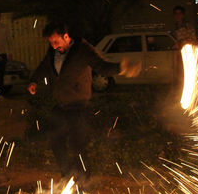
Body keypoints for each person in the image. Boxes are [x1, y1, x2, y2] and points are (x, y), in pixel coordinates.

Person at [28, 22, 141, 181]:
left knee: (77, 145)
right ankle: (67, 177)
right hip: (60, 105)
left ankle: (84, 182)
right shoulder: (53, 51)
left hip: (78, 105)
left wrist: (122, 67)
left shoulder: (83, 49)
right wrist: (34, 80)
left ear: (66, 37)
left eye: (56, 42)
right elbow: (44, 66)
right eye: (51, 42)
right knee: (56, 141)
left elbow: (102, 66)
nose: (53, 46)